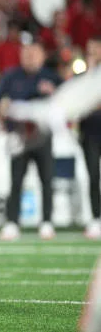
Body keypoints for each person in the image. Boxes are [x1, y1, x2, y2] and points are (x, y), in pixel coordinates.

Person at [0, 40, 62, 241]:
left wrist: (54, 93)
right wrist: (5, 116)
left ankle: (47, 222)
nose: (31, 57)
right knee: (16, 181)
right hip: (20, 136)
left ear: (42, 56)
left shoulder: (51, 77)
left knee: (47, 180)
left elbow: (67, 103)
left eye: (35, 53)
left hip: (43, 136)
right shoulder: (11, 77)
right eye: (27, 53)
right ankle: (12, 222)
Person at [79, 36, 101, 239]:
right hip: (89, 133)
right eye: (89, 50)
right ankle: (96, 218)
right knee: (93, 176)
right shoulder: (82, 74)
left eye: (95, 49)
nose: (92, 53)